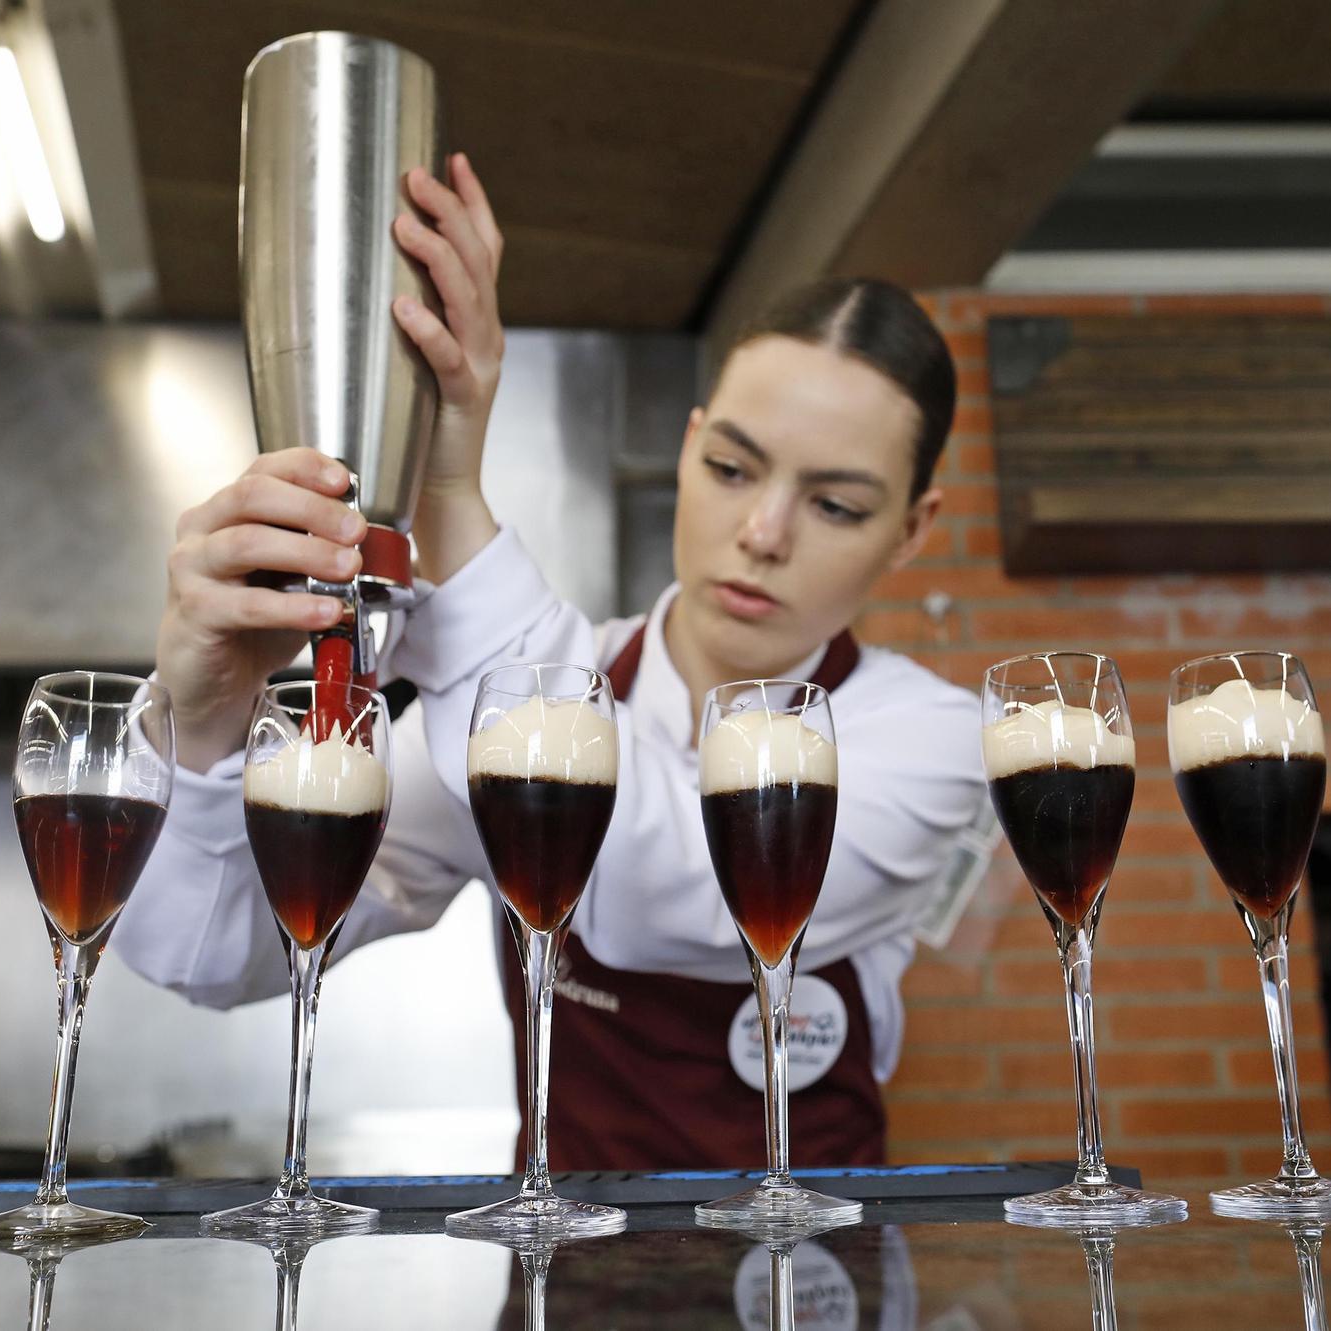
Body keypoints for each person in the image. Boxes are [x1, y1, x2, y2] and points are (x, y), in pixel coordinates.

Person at [114, 153, 987, 1171]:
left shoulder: (926, 742)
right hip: (559, 1280)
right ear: (689, 446)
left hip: (811, 1284)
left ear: (914, 529)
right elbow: (214, 948)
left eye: (834, 503)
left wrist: (447, 489)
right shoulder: (522, 686)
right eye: (729, 467)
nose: (761, 530)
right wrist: (206, 708)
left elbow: (665, 880)